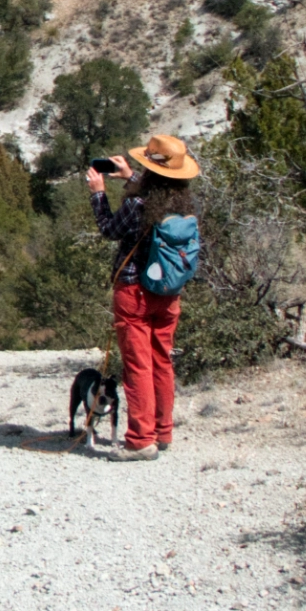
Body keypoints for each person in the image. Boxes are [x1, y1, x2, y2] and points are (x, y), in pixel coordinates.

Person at [85, 134, 200, 461]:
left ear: (152, 169)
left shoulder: (137, 203)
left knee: (138, 366)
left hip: (134, 291)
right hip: (169, 293)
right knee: (161, 360)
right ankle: (162, 432)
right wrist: (129, 177)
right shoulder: (187, 204)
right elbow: (154, 195)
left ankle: (140, 440)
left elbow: (109, 229)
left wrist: (98, 194)